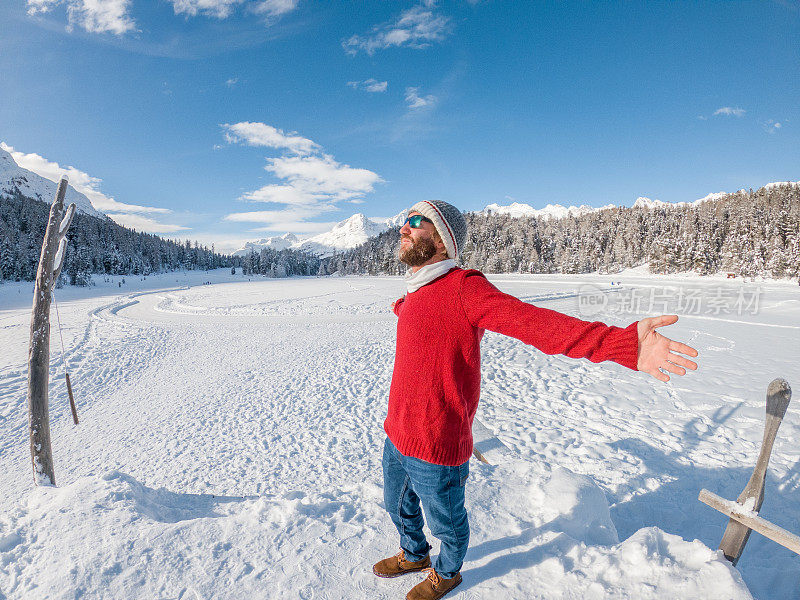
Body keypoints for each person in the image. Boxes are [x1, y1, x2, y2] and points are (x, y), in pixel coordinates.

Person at [372, 200, 699, 600]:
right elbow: (425, 319)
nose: (403, 228)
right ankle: (414, 553)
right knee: (396, 505)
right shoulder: (416, 292)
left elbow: (538, 325)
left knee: (448, 523)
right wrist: (403, 308)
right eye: (403, 221)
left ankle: (448, 571)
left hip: (437, 443)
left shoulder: (464, 288)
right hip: (397, 434)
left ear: (443, 240)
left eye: (416, 222)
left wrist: (622, 344)